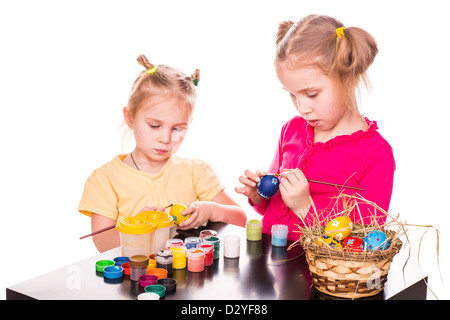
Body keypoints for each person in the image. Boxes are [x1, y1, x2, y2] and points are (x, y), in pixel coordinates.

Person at [236, 15, 395, 241]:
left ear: (348, 79)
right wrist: (260, 194)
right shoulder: (291, 130)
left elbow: (363, 241)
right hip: (268, 260)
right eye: (292, 95)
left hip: (322, 272)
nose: (302, 108)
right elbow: (270, 209)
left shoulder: (375, 154)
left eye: (311, 94)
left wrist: (305, 207)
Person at [79, 54, 246, 252]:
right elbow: (103, 244)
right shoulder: (104, 180)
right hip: (135, 279)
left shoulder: (196, 171)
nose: (166, 138)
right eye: (155, 125)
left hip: (191, 277)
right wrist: (137, 225)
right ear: (130, 117)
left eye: (178, 129)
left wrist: (211, 210)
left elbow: (241, 219)